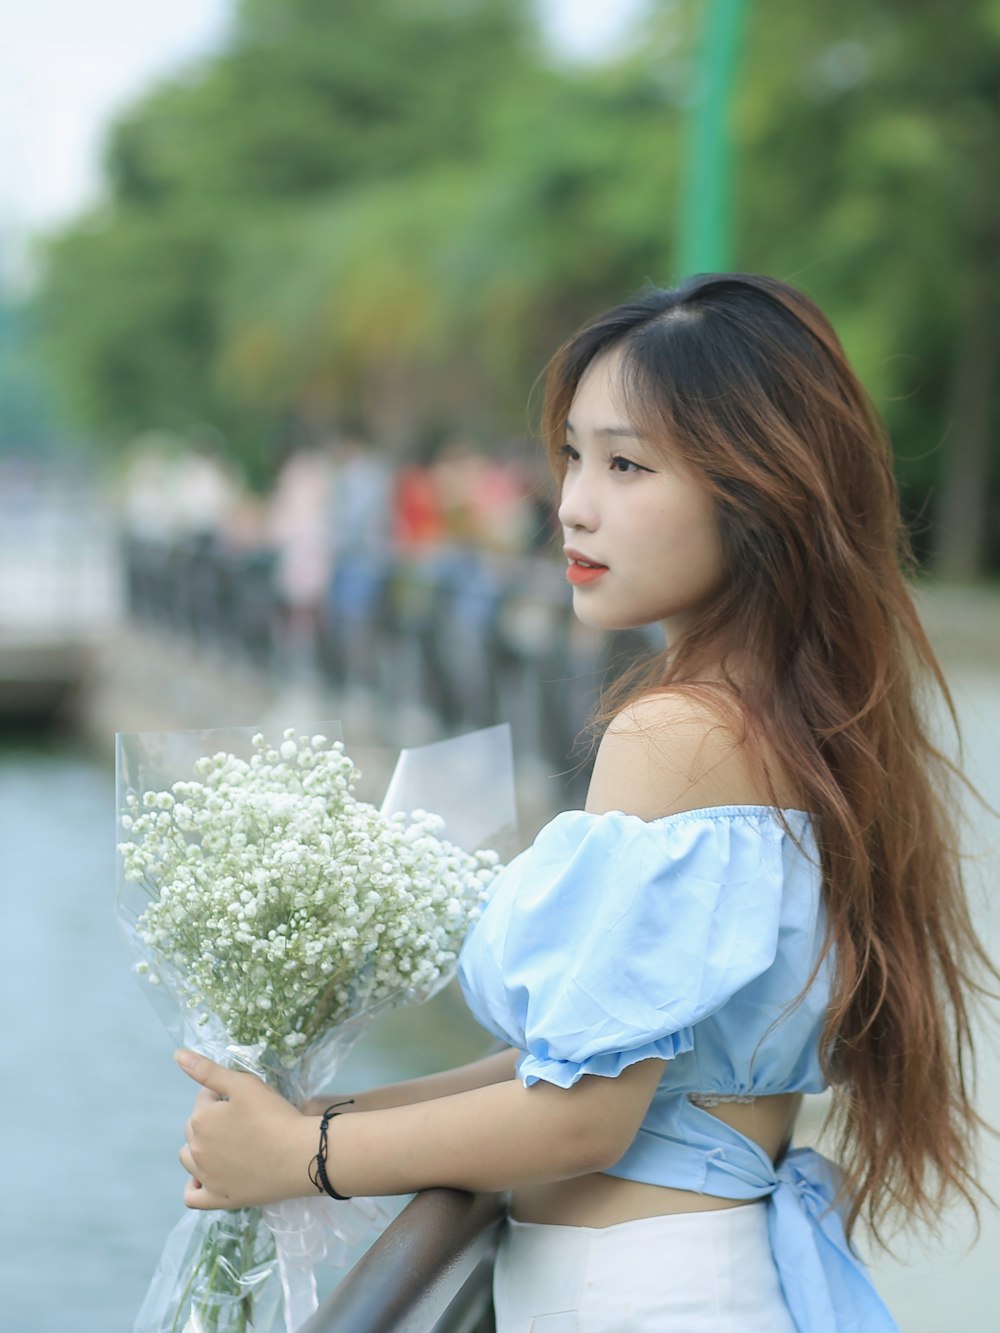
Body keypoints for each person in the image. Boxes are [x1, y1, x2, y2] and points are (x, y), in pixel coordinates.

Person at [174, 274, 994, 1331]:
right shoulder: (790, 719)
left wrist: (306, 1157)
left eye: (625, 463)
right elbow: (591, 1055)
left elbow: (583, 1121)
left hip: (642, 1295)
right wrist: (324, 1113)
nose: (571, 503)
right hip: (692, 1274)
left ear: (757, 492)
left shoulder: (677, 735)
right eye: (571, 454)